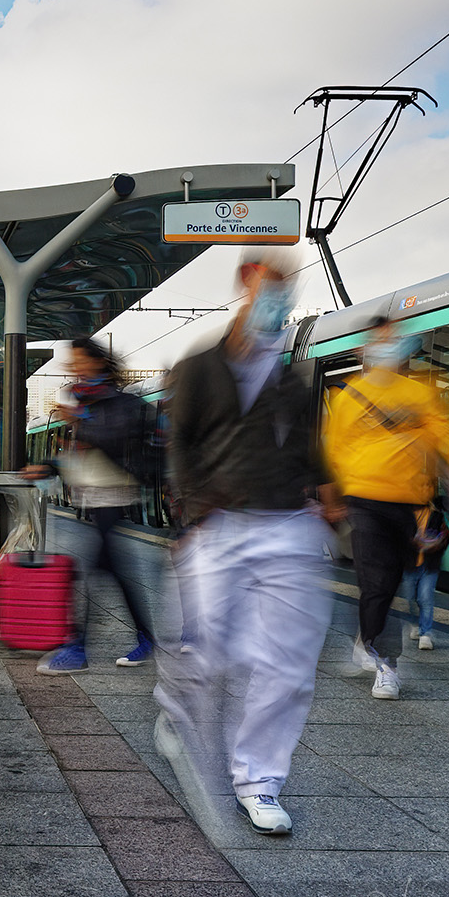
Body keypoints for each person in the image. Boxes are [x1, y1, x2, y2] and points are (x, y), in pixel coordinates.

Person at [154, 247, 337, 836]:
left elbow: (308, 448)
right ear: (245, 285)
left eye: (286, 288)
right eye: (270, 287)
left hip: (287, 524)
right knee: (213, 652)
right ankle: (178, 705)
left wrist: (328, 496)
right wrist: (190, 517)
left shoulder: (292, 377)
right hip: (220, 526)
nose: (278, 299)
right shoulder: (200, 368)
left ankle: (259, 782)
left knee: (289, 665)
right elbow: (181, 445)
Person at [322, 317, 449, 700]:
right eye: (381, 340)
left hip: (409, 504)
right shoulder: (348, 397)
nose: (388, 346)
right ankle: (387, 666)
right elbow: (334, 452)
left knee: (392, 584)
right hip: (365, 501)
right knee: (377, 582)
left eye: (394, 339)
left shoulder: (419, 394)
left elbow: (444, 436)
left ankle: (367, 640)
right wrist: (337, 498)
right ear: (365, 348)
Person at [29, 338, 158, 674]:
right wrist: (47, 466)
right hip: (93, 495)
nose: (74, 367)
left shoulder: (119, 402)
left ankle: (77, 649)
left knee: (90, 572)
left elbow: (112, 439)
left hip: (114, 493)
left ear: (98, 362)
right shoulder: (84, 398)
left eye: (80, 361)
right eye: (72, 362)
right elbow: (76, 452)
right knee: (111, 572)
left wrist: (81, 417)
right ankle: (144, 639)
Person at [402, 500, 449, 651]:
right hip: (410, 564)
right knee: (410, 597)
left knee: (425, 598)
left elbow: (445, 536)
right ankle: (415, 624)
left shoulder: (436, 515)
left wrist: (435, 543)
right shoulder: (405, 514)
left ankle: (425, 634)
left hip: (430, 564)